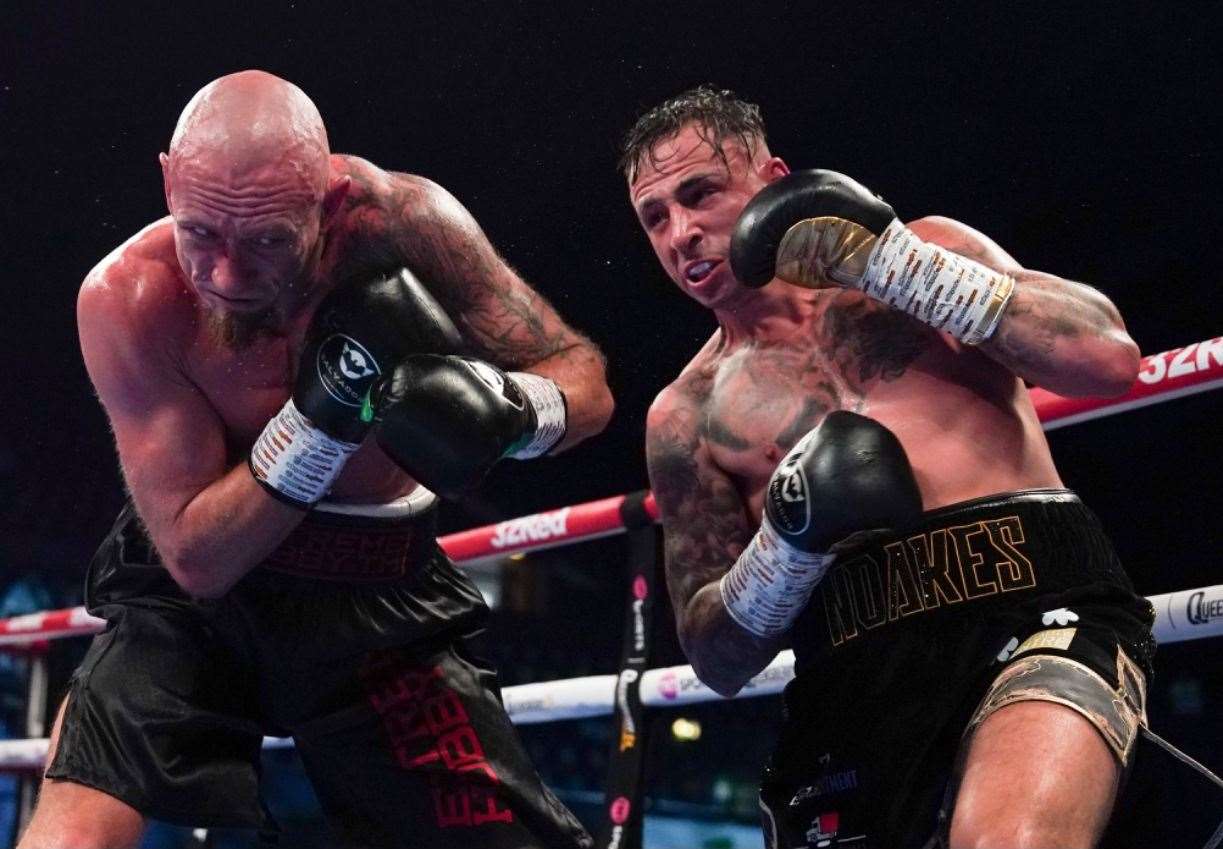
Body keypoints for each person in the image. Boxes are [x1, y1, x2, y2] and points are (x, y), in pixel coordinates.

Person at [20, 70, 612, 849]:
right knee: (76, 832)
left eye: (267, 239)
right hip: (189, 610)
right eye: (200, 232)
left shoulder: (407, 225)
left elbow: (585, 381)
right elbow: (196, 558)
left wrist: (511, 409)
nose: (227, 276)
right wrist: (319, 422)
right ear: (168, 178)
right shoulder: (131, 299)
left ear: (328, 204)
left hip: (377, 594)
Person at [624, 86, 1159, 848]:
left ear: (773, 180)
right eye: (654, 218)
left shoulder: (921, 252)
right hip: (854, 676)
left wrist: (894, 264)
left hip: (1042, 610)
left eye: (699, 194)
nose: (681, 233)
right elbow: (713, 656)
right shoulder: (685, 414)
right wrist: (786, 543)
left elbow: (1105, 358)